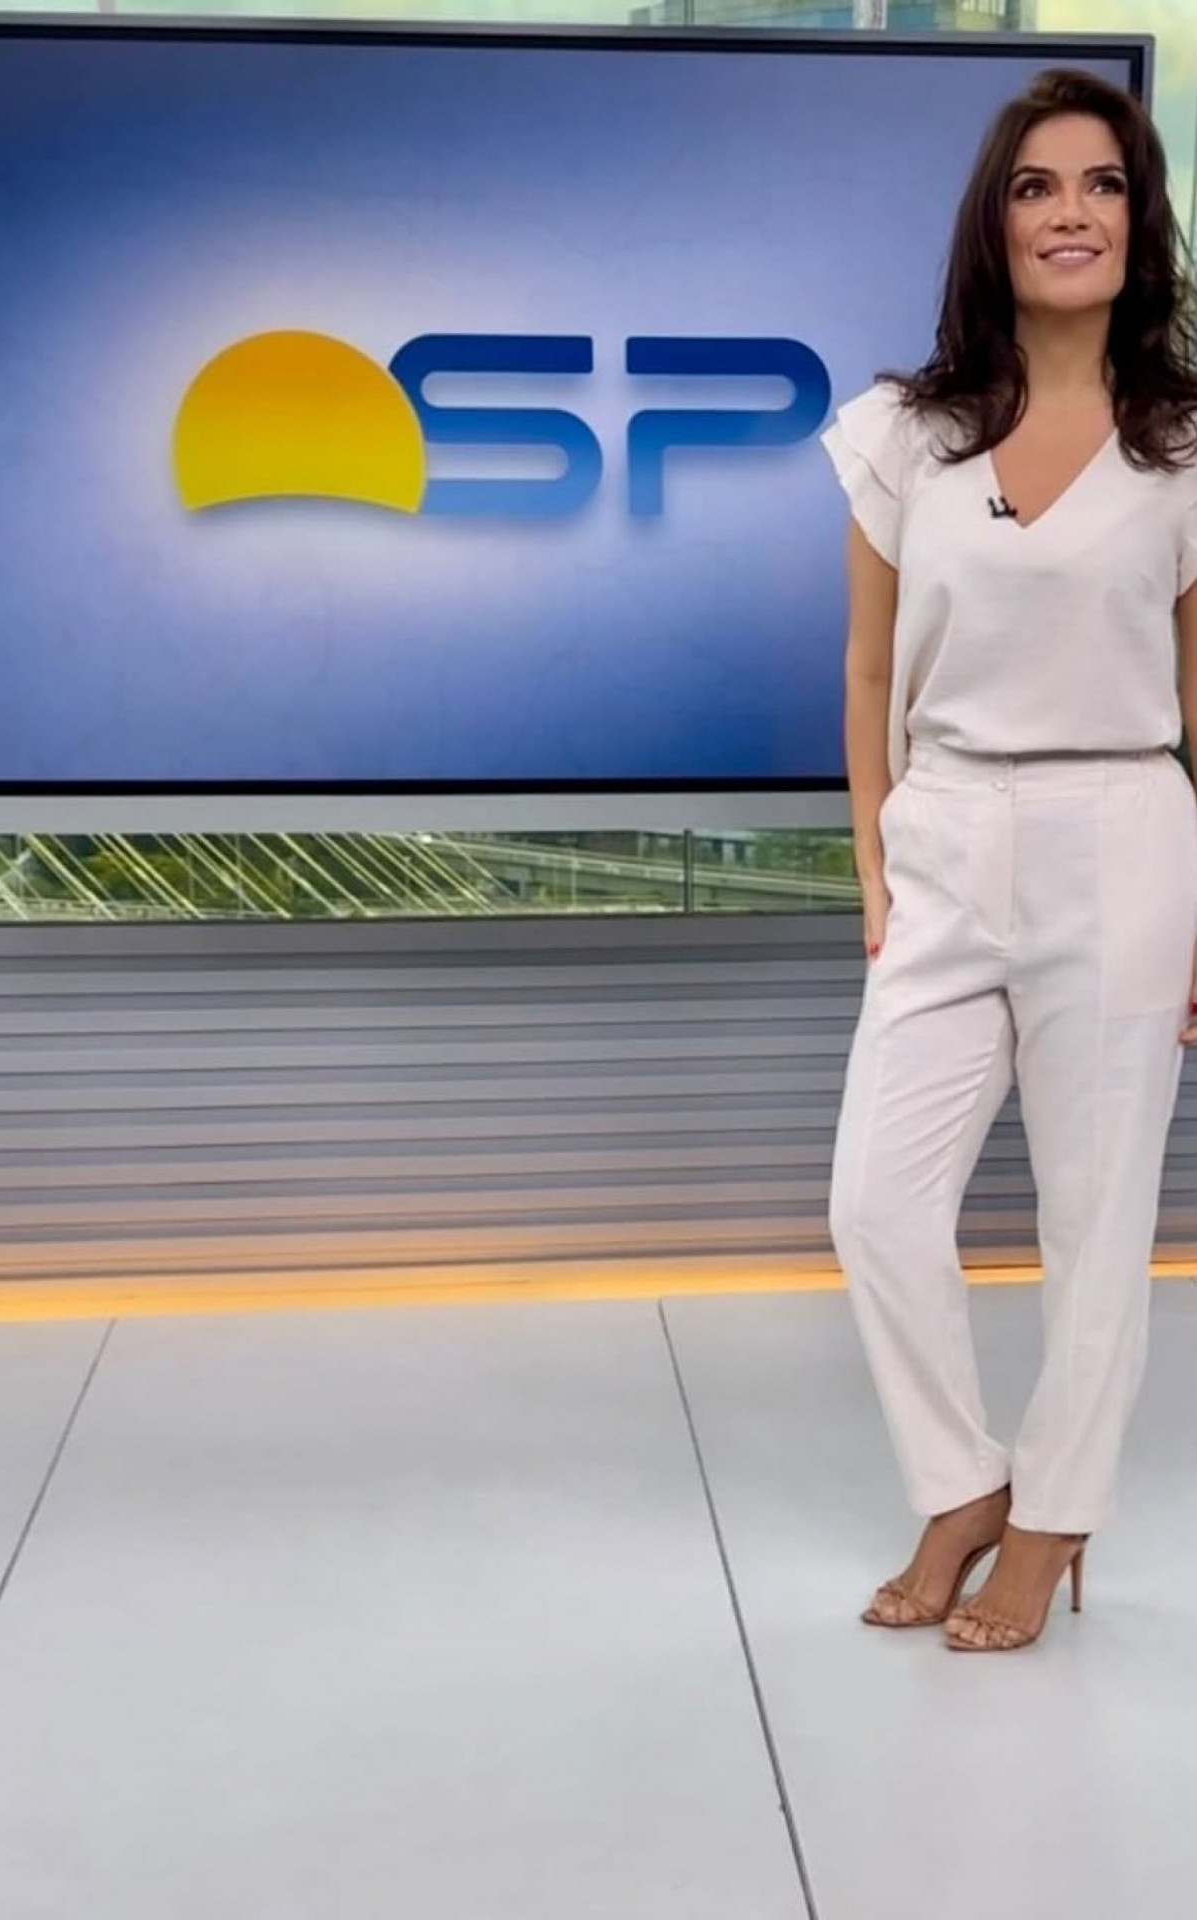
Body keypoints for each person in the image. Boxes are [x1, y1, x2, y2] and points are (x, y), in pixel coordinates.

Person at [821, 67, 1197, 1652]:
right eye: (1038, 186)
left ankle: (1053, 1521)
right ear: (996, 222)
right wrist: (875, 867)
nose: (1072, 213)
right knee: (874, 1204)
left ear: (1142, 223)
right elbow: (867, 671)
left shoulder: (1186, 446)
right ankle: (964, 1480)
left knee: (1097, 1221)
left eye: (1104, 185)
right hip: (949, 827)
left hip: (1125, 833)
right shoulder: (905, 432)